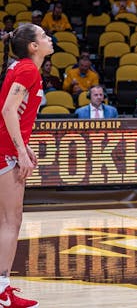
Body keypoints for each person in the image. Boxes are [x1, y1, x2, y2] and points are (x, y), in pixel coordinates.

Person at [0, 23, 54, 308]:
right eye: (44, 36)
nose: (49, 39)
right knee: (11, 220)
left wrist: (24, 145)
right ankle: (2, 291)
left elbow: (11, 114)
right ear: (33, 46)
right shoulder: (28, 69)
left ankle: (2, 287)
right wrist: (20, 151)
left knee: (6, 221)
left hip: (6, 146)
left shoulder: (21, 67)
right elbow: (7, 109)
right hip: (4, 152)